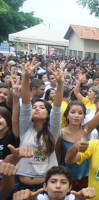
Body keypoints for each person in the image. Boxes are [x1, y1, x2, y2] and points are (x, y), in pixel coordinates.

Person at [15, 59, 64, 191]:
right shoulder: (25, 128)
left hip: (46, 187)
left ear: (48, 114)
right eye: (34, 107)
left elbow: (57, 108)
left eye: (42, 107)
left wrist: (60, 84)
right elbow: (25, 104)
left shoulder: (52, 131)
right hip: (22, 186)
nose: (36, 109)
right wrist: (25, 78)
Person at [56, 76, 99, 191]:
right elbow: (57, 157)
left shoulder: (87, 129)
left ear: (84, 116)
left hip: (86, 177)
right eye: (73, 112)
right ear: (67, 115)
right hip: (66, 177)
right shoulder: (61, 134)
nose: (76, 115)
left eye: (80, 113)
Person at [13, 166, 96, 200]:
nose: (58, 186)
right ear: (45, 186)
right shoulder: (39, 198)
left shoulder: (73, 198)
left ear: (69, 188)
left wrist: (81, 198)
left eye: (63, 182)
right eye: (53, 182)